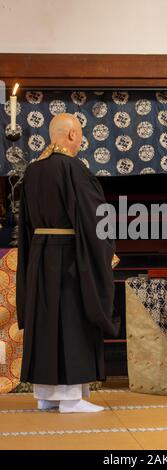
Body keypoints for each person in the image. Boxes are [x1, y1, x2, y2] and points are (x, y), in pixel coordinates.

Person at [16, 113, 120, 413]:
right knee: (71, 318)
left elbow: (25, 224)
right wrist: (105, 250)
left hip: (38, 254)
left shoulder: (33, 171)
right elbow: (94, 218)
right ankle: (72, 397)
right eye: (81, 135)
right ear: (73, 135)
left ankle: (46, 394)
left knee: (45, 320)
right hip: (70, 257)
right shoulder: (74, 169)